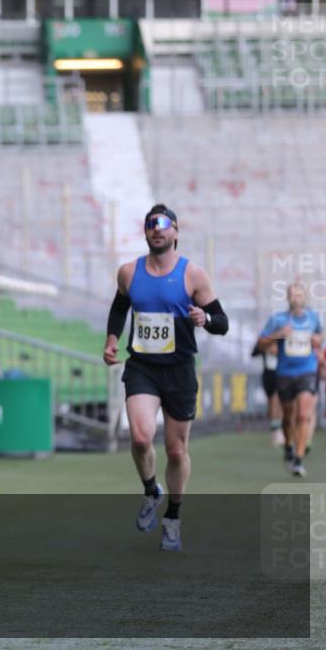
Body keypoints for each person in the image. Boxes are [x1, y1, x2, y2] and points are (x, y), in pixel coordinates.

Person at [103, 204, 229, 552]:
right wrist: (113, 339)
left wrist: (205, 317)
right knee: (142, 437)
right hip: (142, 367)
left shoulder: (193, 276)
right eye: (150, 225)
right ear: (145, 233)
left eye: (162, 224)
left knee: (176, 450)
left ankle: (173, 517)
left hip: (180, 370)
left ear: (175, 231)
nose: (156, 230)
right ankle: (150, 491)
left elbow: (223, 322)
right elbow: (119, 306)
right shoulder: (129, 272)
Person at [257, 283, 323, 477]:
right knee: (288, 415)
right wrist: (278, 335)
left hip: (307, 371)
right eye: (293, 295)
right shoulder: (278, 319)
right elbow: (260, 343)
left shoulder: (313, 317)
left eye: (300, 294)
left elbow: (319, 336)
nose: (297, 298)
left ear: (305, 297)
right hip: (284, 373)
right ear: (287, 298)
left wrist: (318, 340)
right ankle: (288, 445)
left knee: (303, 415)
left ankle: (298, 459)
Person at [251, 340, 285, 446]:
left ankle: (279, 429)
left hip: (281, 373)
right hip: (268, 375)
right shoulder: (265, 340)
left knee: (277, 400)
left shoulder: (282, 340)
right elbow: (254, 353)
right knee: (271, 402)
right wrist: (265, 347)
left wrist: (278, 351)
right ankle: (274, 427)